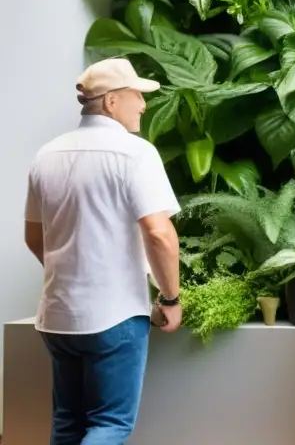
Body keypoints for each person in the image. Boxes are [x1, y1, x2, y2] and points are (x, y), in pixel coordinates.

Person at [24, 58, 183, 445]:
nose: (143, 106)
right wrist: (170, 298)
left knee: (67, 422)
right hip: (114, 315)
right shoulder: (135, 153)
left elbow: (33, 235)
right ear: (111, 102)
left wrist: (69, 273)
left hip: (58, 316)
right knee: (110, 424)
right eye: (136, 96)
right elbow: (160, 234)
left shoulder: (47, 155)